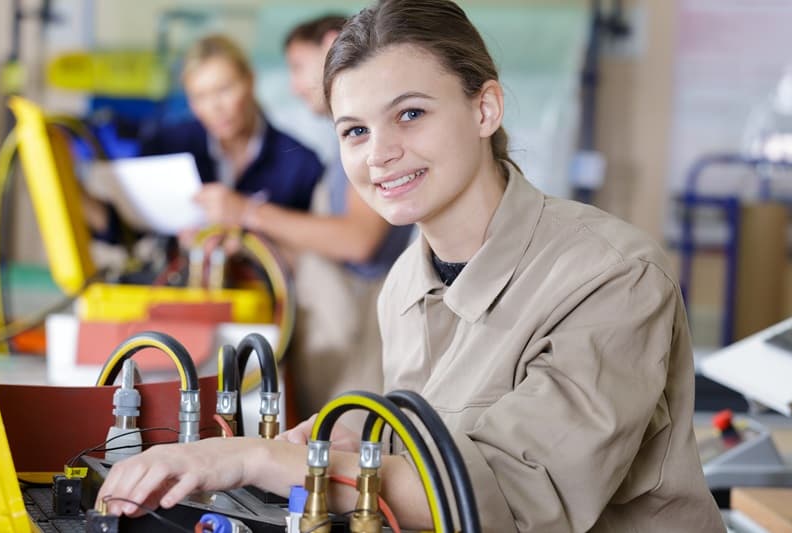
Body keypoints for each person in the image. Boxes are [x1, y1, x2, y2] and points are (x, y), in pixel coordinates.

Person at [96, 1, 725, 531]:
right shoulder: (405, 283)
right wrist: (344, 430)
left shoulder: (611, 275)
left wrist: (251, 460)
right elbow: (430, 436)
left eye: (411, 114)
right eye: (355, 131)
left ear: (485, 110)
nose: (381, 155)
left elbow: (506, 497)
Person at [205, 15, 412, 424]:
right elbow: (326, 254)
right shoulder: (345, 146)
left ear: (332, 45)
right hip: (332, 348)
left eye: (298, 67)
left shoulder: (371, 140)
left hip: (359, 350)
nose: (295, 85)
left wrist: (247, 211)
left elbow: (358, 241)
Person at [85, 34, 323, 247]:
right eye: (200, 96)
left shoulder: (300, 164)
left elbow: (312, 254)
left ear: (250, 81)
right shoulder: (167, 146)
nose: (215, 108)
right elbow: (126, 230)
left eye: (224, 89)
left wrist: (247, 222)